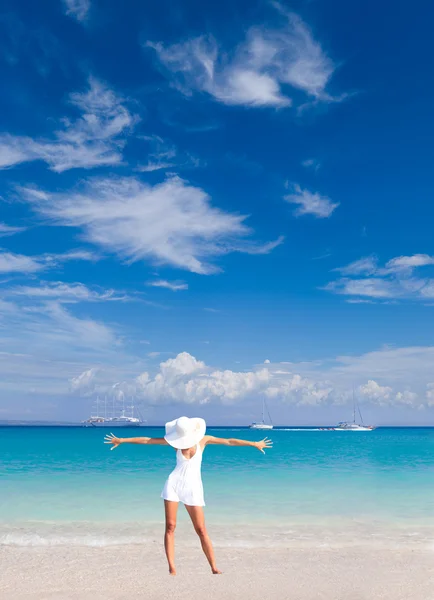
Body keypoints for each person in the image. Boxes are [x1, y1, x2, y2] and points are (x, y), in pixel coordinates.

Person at [104, 416, 272, 576]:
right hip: (174, 485)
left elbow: (228, 441)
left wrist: (254, 443)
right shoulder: (176, 442)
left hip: (193, 488)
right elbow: (148, 440)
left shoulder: (204, 440)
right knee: (170, 526)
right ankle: (172, 568)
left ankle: (213, 567)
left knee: (201, 529)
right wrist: (122, 440)